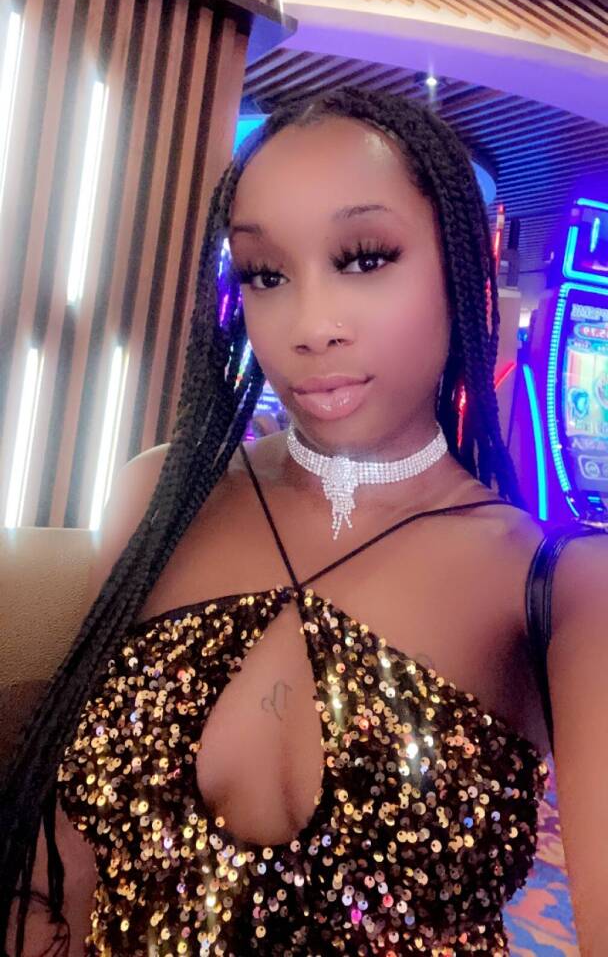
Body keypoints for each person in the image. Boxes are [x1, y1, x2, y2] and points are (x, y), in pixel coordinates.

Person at [2, 86, 607, 955]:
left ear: (462, 268)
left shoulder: (557, 586)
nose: (310, 326)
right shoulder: (158, 497)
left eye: (364, 258)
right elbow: (63, 859)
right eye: (266, 274)